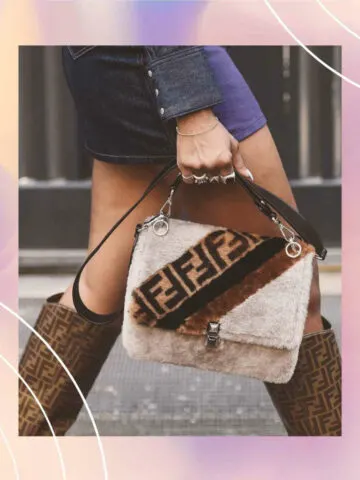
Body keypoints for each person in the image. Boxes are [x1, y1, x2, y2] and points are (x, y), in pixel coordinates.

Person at [18, 46, 341, 436]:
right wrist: (193, 111)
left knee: (98, 289)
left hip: (121, 55)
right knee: (291, 289)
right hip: (164, 60)